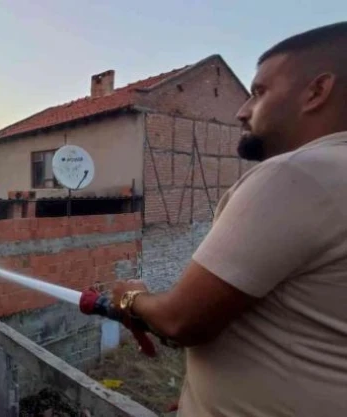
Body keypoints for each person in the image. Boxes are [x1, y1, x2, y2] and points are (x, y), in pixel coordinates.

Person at [80, 21, 347, 417]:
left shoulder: (296, 174)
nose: (242, 111)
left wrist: (131, 297)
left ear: (317, 91)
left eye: (259, 92)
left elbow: (181, 321)